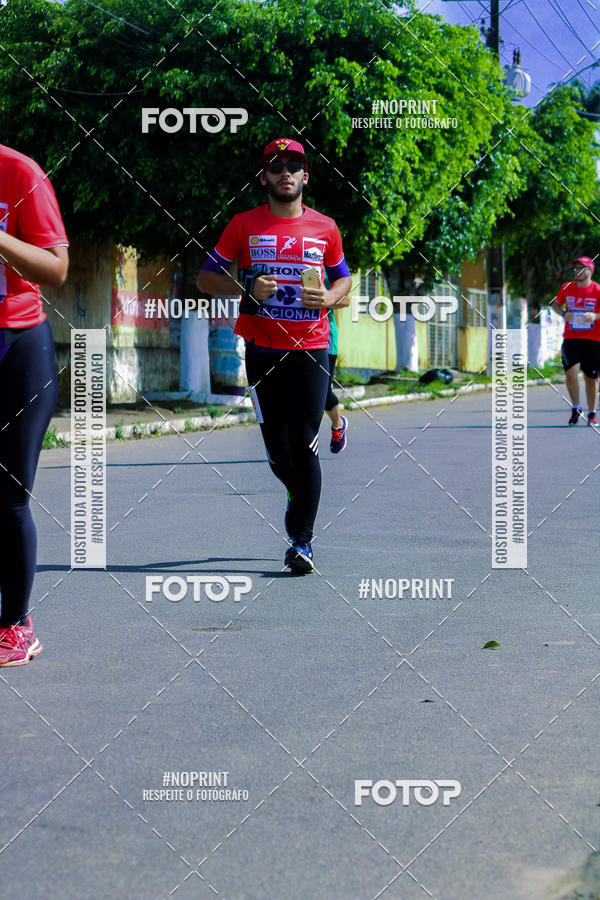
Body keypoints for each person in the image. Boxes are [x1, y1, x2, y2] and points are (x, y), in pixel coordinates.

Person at [197, 138, 351, 573]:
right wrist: (245, 287)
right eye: (276, 165)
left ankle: (301, 541)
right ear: (263, 176)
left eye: (294, 165)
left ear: (306, 175)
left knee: (304, 444)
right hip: (262, 351)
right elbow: (206, 279)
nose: (286, 172)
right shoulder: (243, 225)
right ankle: (295, 494)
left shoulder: (326, 228)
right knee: (278, 453)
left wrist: (327, 297)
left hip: (311, 349)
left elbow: (344, 280)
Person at [0, 144, 69, 665]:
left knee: (8, 493)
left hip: (18, 347)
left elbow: (56, 268)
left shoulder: (19, 171)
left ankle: (17, 625)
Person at [551, 256, 600, 426]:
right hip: (571, 338)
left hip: (593, 339)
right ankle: (576, 407)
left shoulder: (597, 290)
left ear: (590, 270)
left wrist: (595, 316)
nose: (577, 271)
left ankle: (592, 412)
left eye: (581, 268)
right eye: (576, 268)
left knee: (590, 377)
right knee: (571, 373)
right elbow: (555, 305)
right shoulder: (567, 288)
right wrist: (564, 314)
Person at [325, 307, 348, 453]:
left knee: (323, 392)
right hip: (293, 341)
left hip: (324, 342)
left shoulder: (329, 282)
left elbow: (343, 300)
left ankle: (338, 425)